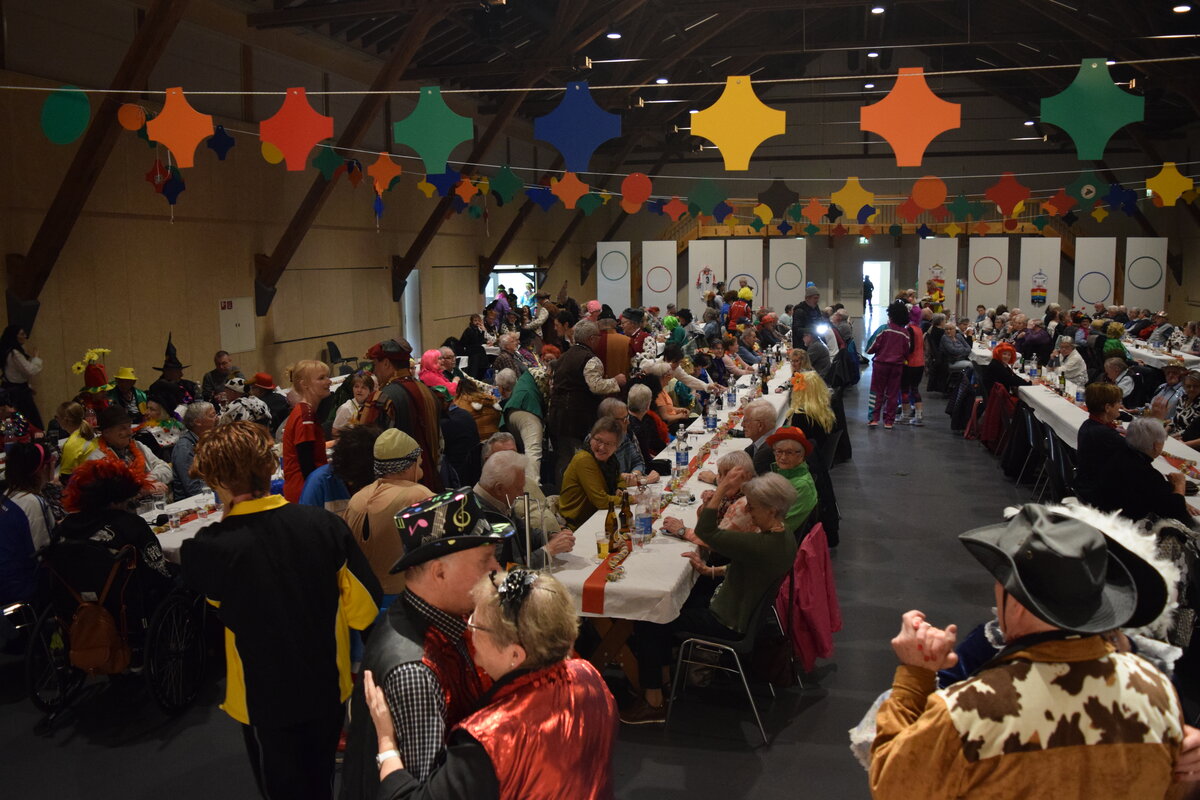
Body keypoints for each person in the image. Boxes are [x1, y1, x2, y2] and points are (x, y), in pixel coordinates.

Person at [870, 504, 1186, 798]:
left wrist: (914, 677)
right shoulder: (1157, 692)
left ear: (1018, 604)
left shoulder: (968, 710)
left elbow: (891, 786)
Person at [181, 421, 381, 800]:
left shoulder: (206, 549)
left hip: (263, 696)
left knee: (281, 788)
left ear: (218, 482)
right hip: (326, 680)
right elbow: (364, 609)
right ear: (269, 467)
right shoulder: (323, 525)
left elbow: (219, 606)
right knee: (321, 779)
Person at [361, 567, 616, 799]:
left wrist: (386, 743)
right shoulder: (589, 676)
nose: (468, 630)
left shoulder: (490, 738)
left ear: (515, 654)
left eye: (478, 626)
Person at [342, 490, 510, 799]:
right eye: (485, 559)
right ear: (439, 571)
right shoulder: (415, 670)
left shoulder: (431, 617)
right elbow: (425, 792)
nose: (496, 570)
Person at [623, 470, 799, 724]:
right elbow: (753, 565)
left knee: (651, 615)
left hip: (727, 620)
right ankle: (664, 678)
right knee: (675, 597)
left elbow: (706, 531)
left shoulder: (761, 544)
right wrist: (711, 570)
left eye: (754, 507)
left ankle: (653, 702)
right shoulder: (784, 537)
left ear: (772, 510)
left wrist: (721, 489)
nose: (748, 510)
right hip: (738, 607)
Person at [57, 459, 173, 605]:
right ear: (117, 499)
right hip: (127, 602)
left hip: (76, 602)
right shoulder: (131, 524)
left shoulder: (66, 525)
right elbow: (159, 572)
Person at [343, 428, 433, 609]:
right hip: (404, 600)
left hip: (363, 598)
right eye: (420, 464)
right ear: (410, 465)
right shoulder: (417, 496)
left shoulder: (357, 498)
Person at [545, 320, 625, 476]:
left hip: (557, 415)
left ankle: (564, 494)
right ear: (591, 339)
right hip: (577, 418)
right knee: (580, 459)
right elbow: (595, 386)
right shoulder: (590, 359)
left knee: (564, 458)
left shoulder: (564, 356)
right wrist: (616, 381)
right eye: (598, 337)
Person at [363, 338, 444, 493]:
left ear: (386, 363)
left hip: (395, 489)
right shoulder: (427, 391)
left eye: (376, 364)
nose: (375, 371)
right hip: (429, 484)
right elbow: (440, 442)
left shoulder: (382, 398)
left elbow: (366, 446)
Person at [1093, 417, 1193, 526]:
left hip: (1103, 513)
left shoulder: (1119, 454)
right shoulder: (1146, 474)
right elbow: (1175, 511)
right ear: (1156, 446)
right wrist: (1180, 485)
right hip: (1126, 528)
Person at [0, 442, 57, 603]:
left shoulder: (8, 494)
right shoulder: (32, 503)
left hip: (6, 582)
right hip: (21, 589)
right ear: (42, 469)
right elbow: (46, 554)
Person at [559, 417, 627, 529]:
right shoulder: (584, 459)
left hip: (598, 517)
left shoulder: (610, 460)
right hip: (577, 526)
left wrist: (621, 489)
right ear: (590, 438)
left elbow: (619, 478)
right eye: (598, 440)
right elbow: (601, 501)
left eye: (608, 444)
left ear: (617, 447)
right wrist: (630, 499)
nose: (601, 447)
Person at [86, 405, 172, 494]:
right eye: (123, 428)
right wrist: (140, 490)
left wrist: (147, 481)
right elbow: (108, 494)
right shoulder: (97, 459)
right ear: (106, 432)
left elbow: (166, 468)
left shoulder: (138, 446)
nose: (130, 432)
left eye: (129, 426)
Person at [281, 360, 332, 503]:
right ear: (305, 384)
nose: (329, 381)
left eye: (327, 377)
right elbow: (306, 462)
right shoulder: (305, 415)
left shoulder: (305, 411)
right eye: (321, 378)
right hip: (305, 491)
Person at [1074, 382, 1127, 507]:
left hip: (1086, 485)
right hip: (1099, 495)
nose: (1120, 406)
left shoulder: (1088, 424)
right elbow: (1138, 451)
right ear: (1107, 407)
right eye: (1118, 403)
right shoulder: (1104, 434)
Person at [867, 301, 913, 430]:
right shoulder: (905, 333)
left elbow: (870, 347)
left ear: (890, 315)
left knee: (876, 392)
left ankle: (873, 419)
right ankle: (889, 421)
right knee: (892, 394)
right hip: (897, 366)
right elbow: (907, 351)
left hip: (880, 365)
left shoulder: (884, 329)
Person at [766, 427, 820, 536]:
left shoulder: (802, 485)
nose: (783, 457)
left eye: (789, 452)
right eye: (779, 452)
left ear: (801, 456)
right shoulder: (780, 473)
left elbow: (783, 526)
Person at [597, 397, 660, 485]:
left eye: (627, 417)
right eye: (624, 419)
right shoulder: (596, 444)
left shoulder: (626, 435)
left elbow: (638, 462)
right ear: (609, 421)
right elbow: (606, 480)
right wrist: (644, 480)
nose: (628, 422)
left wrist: (634, 474)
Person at [0, 325, 44, 429]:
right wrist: (36, 358)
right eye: (22, 334)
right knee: (30, 421)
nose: (25, 336)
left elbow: (16, 375)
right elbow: (30, 370)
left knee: (23, 421)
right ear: (15, 336)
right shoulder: (14, 353)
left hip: (14, 390)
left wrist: (27, 386)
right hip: (18, 394)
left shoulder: (8, 351)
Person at [171, 401, 216, 499]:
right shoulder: (184, 447)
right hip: (192, 504)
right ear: (198, 422)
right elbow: (194, 489)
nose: (217, 418)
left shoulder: (210, 440)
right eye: (212, 416)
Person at [148, 334, 200, 412]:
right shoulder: (157, 388)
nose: (182, 374)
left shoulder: (188, 385)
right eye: (178, 372)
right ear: (168, 372)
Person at [54, 401, 97, 481]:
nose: (56, 420)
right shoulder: (91, 433)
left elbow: (65, 479)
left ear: (65, 420)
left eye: (56, 417)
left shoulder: (71, 444)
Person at [899, 305, 926, 426]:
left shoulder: (909, 329)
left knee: (904, 389)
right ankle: (918, 415)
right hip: (920, 363)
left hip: (910, 363)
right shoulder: (919, 329)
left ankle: (905, 415)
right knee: (915, 389)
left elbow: (910, 348)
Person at [1172, 370, 1200, 448]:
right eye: (1188, 386)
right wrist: (1165, 432)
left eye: (1196, 386)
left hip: (1190, 443)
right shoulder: (1183, 398)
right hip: (1175, 437)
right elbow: (1174, 420)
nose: (1191, 389)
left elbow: (1191, 429)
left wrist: (1182, 443)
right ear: (1184, 386)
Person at [459, 314, 489, 380]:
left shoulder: (476, 329)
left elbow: (480, 342)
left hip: (474, 349)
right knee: (478, 352)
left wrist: (483, 331)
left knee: (481, 349)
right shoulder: (469, 330)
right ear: (471, 321)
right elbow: (475, 342)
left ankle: (483, 370)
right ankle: (474, 375)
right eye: (475, 321)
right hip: (468, 350)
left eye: (478, 321)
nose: (477, 322)